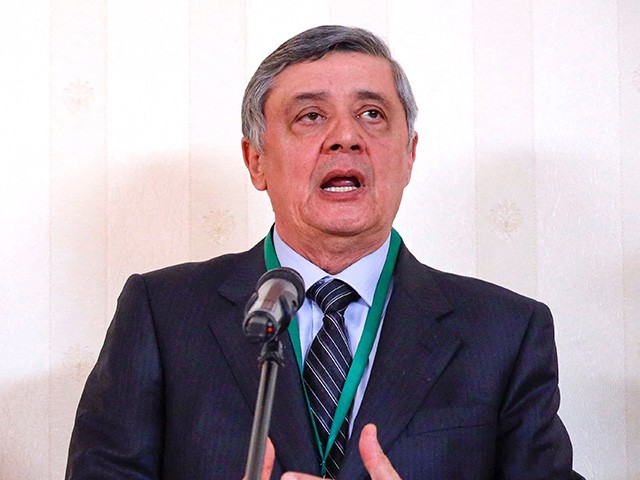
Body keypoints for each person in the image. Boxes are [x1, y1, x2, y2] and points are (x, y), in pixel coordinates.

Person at [66, 25, 583, 479]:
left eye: (372, 114)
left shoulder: (505, 331)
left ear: (409, 155)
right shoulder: (163, 313)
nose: (346, 137)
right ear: (256, 160)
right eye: (311, 116)